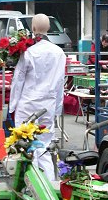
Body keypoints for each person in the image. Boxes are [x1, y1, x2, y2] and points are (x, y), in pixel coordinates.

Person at [9, 13, 66, 182]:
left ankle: (29, 186)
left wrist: (12, 105)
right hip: (47, 104)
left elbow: (18, 80)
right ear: (48, 28)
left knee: (26, 148)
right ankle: (49, 187)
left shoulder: (29, 53)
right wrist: (57, 108)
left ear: (33, 29)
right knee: (44, 147)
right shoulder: (59, 53)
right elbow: (60, 82)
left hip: (27, 103)